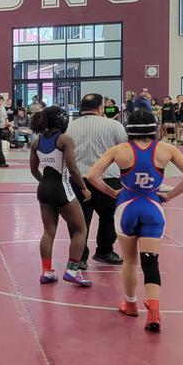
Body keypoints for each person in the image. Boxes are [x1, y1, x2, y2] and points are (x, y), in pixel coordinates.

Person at [87, 110, 183, 332]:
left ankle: (130, 304)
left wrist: (111, 192)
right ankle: (154, 312)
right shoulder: (167, 149)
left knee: (129, 261)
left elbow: (92, 175)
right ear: (154, 127)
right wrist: (170, 195)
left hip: (127, 208)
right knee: (150, 261)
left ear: (129, 128)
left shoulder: (120, 150)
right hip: (152, 208)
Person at [29, 106, 92, 287]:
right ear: (62, 120)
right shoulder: (65, 139)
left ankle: (46, 272)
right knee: (81, 229)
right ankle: (72, 270)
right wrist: (84, 189)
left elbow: (33, 169)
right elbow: (72, 168)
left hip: (44, 189)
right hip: (61, 188)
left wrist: (45, 183)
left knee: (48, 232)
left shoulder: (36, 142)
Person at [65, 93, 128, 268]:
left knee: (79, 220)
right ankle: (105, 251)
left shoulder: (70, 127)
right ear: (101, 108)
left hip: (78, 179)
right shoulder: (113, 125)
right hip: (108, 178)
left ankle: (80, 257)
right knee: (109, 217)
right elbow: (126, 150)